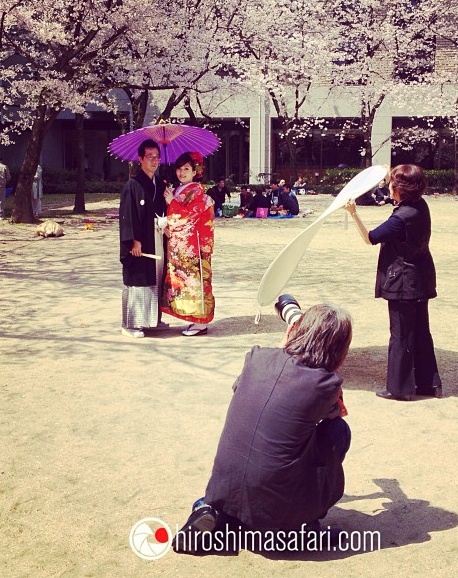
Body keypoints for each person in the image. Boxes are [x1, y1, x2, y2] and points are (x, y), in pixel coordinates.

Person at [172, 304, 353, 553]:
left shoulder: (256, 356)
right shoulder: (326, 384)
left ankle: (211, 510)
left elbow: (249, 390)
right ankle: (300, 525)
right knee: (338, 431)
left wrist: (285, 344)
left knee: (264, 439)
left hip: (223, 489)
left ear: (296, 331)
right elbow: (336, 414)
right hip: (274, 503)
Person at [344, 164, 442, 401]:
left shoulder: (400, 218)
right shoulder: (420, 206)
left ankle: (400, 388)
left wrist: (353, 213)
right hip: (420, 277)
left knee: (400, 335)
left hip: (403, 282)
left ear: (400, 189)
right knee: (420, 332)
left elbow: (370, 238)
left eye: (392, 184)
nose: (388, 186)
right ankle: (428, 384)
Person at [162, 151, 215, 336]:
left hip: (192, 246)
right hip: (180, 245)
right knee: (183, 283)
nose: (181, 172)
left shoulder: (196, 191)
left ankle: (200, 322)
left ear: (195, 172)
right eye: (179, 169)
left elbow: (190, 216)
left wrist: (172, 203)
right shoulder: (179, 189)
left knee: (194, 281)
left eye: (186, 169)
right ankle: (193, 319)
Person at [119, 139, 168, 338]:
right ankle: (130, 324)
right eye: (150, 157)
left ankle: (151, 320)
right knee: (138, 279)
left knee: (155, 278)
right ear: (140, 159)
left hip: (156, 238)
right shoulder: (132, 185)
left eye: (157, 157)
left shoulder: (160, 184)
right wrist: (134, 241)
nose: (154, 161)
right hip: (141, 241)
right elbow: (128, 216)